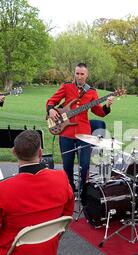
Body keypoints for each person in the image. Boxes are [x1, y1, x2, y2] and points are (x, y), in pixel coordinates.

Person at [46, 63, 115, 191]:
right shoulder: (66, 87)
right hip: (66, 131)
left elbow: (98, 111)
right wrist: (51, 110)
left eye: (82, 74)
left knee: (84, 165)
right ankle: (69, 189)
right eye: (77, 73)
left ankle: (84, 191)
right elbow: (52, 101)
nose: (79, 76)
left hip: (84, 134)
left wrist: (108, 105)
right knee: (67, 165)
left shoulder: (92, 92)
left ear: (86, 75)